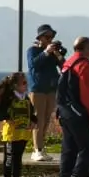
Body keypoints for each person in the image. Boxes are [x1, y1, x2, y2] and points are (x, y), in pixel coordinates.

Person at [55, 37, 89, 177]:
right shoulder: (84, 65)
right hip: (78, 112)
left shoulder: (68, 63)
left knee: (69, 148)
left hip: (65, 112)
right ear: (86, 49)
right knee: (88, 147)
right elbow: (87, 91)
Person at [25, 25, 62, 161]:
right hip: (38, 89)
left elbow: (63, 66)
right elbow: (34, 65)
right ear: (40, 37)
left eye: (51, 37)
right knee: (38, 120)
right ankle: (37, 149)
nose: (50, 39)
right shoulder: (32, 50)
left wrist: (57, 54)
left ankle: (41, 147)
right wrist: (46, 52)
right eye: (47, 37)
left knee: (46, 120)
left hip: (51, 89)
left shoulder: (53, 54)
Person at [0, 73, 33, 177]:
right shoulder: (7, 97)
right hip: (11, 133)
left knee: (18, 158)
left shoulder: (25, 97)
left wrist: (33, 121)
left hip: (23, 133)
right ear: (15, 85)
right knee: (10, 158)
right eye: (24, 83)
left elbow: (32, 111)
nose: (26, 85)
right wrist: (8, 118)